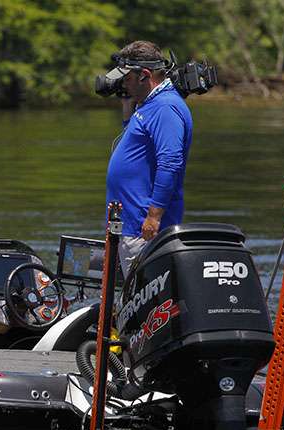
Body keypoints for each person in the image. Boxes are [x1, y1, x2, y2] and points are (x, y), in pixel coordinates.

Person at [103, 40, 193, 277]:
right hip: (129, 223)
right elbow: (136, 141)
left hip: (145, 229)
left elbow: (170, 162)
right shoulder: (149, 105)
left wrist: (154, 217)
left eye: (127, 78)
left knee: (146, 302)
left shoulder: (165, 107)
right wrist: (126, 108)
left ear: (144, 75)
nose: (123, 83)